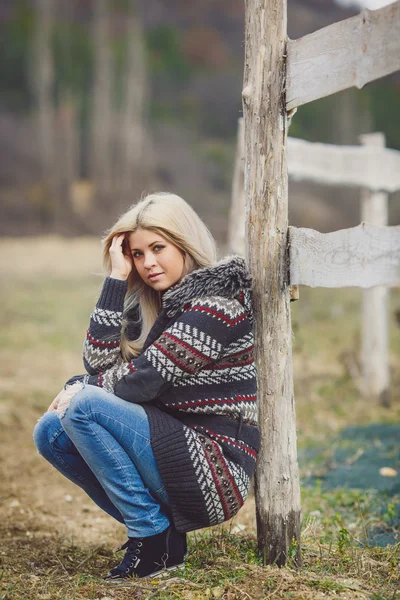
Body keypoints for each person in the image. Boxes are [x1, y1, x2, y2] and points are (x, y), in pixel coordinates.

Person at [33, 192, 259, 581]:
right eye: (137, 254)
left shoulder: (217, 305)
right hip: (172, 448)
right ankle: (163, 535)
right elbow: (100, 364)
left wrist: (79, 387)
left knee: (82, 404)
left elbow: (143, 380)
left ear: (184, 244)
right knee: (50, 432)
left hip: (214, 468)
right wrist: (116, 279)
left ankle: (151, 539)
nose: (148, 263)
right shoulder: (159, 305)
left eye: (158, 248)